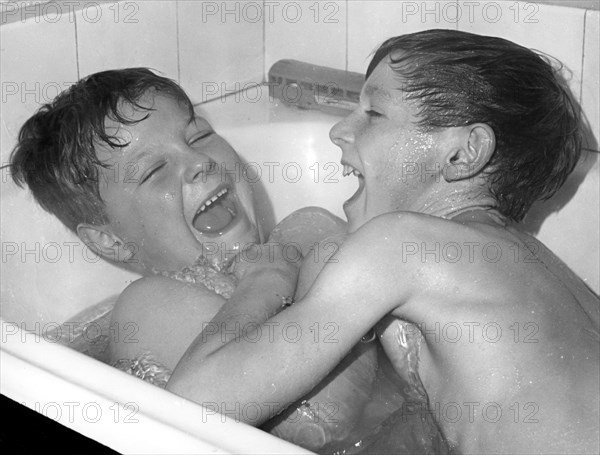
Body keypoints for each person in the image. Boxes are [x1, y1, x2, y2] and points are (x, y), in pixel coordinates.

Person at [165, 29, 600, 454]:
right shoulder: (548, 275)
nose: (339, 131)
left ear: (463, 154)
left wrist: (267, 274)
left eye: (373, 114)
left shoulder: (400, 244)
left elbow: (192, 404)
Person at [7, 68, 383, 453]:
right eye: (154, 170)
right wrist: (284, 272)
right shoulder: (147, 308)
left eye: (198, 135)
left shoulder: (292, 239)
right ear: (110, 240)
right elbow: (324, 423)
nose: (199, 161)